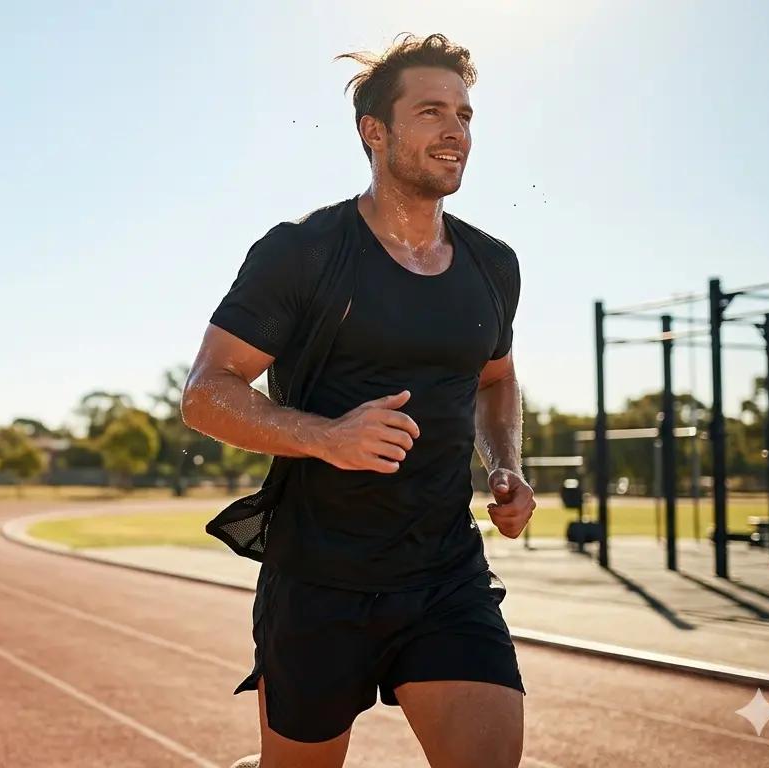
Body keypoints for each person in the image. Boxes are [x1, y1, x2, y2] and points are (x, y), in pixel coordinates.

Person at [179, 33, 537, 768]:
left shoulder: (492, 265)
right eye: (432, 111)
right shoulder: (303, 252)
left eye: (465, 115)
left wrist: (505, 463)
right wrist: (326, 436)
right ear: (374, 132)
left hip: (445, 574)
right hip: (320, 579)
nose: (456, 131)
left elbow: (495, 379)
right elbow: (206, 393)